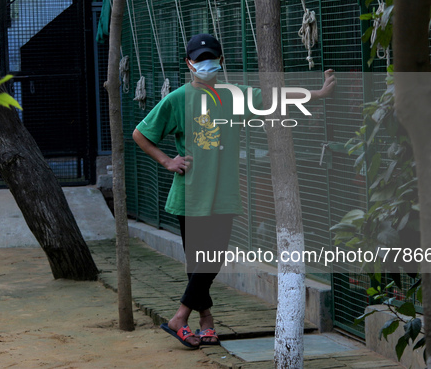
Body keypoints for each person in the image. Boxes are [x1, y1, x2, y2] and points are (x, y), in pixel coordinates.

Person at [132, 34, 336, 348]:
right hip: (189, 194)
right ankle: (202, 322)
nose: (206, 64)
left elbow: (276, 97)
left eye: (211, 58)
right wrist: (166, 160)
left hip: (224, 194)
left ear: (222, 61)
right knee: (198, 265)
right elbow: (140, 133)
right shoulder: (177, 99)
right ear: (189, 63)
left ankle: (181, 318)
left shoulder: (235, 96)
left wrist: (318, 94)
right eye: (199, 59)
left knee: (209, 261)